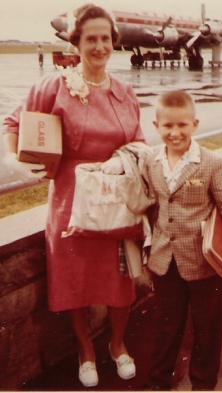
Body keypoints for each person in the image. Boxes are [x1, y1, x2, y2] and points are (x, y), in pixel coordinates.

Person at [3, 5, 144, 387]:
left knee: (120, 281)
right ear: (76, 43)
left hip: (116, 202)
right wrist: (28, 161)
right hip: (70, 200)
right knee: (74, 279)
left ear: (113, 44)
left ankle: (117, 344)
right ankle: (85, 348)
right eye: (90, 39)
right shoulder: (55, 86)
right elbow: (14, 124)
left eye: (104, 39)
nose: (99, 46)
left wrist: (126, 160)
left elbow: (141, 143)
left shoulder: (125, 92)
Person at [142, 90, 222, 390]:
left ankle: (203, 385)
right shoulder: (151, 161)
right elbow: (153, 207)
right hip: (166, 262)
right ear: (156, 126)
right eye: (167, 126)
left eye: (182, 125)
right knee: (167, 327)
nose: (175, 132)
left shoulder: (211, 163)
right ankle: (158, 383)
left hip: (205, 263)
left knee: (207, 329)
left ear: (195, 124)